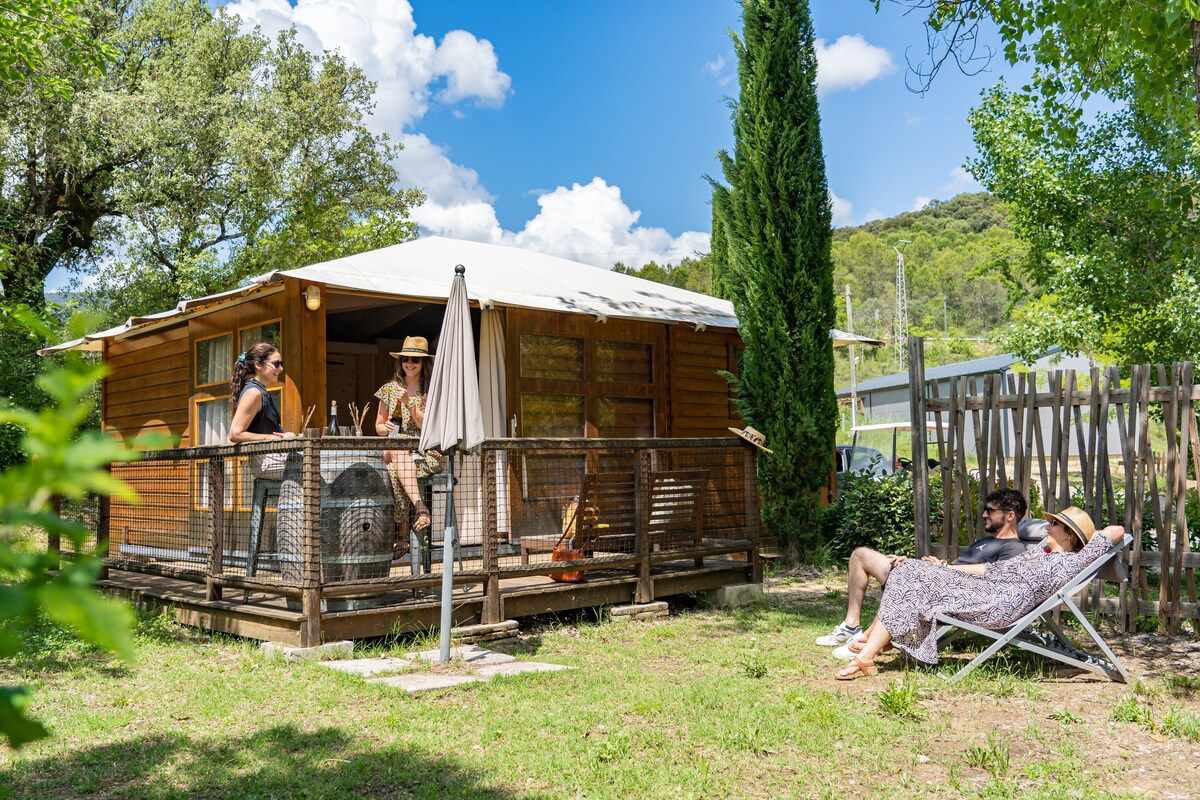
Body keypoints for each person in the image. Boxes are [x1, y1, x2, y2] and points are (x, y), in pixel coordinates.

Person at [835, 506, 1126, 679]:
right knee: (911, 569)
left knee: (912, 574)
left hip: (999, 604)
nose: (1047, 526)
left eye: (1055, 524)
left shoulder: (1074, 561)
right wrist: (947, 569)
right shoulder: (1039, 552)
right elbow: (990, 570)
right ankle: (873, 649)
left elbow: (1116, 531)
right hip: (987, 589)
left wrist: (1086, 540)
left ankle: (871, 648)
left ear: (1072, 534)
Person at [816, 488, 1031, 651]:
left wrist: (938, 568)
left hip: (954, 596)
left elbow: (994, 577)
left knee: (905, 573)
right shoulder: (983, 542)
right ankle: (852, 626)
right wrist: (926, 564)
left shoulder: (1014, 548)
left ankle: (871, 641)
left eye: (990, 511)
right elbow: (960, 568)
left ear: (1010, 515)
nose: (984, 514)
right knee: (860, 555)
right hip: (935, 580)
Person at [374, 336, 446, 549]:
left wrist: (409, 403)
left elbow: (430, 428)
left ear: (423, 363)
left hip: (427, 453)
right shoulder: (388, 389)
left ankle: (403, 533)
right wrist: (384, 428)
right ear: (400, 361)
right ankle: (421, 510)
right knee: (395, 453)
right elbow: (378, 426)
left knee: (394, 467)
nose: (410, 364)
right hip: (399, 449)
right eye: (406, 358)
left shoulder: (432, 392)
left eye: (415, 360)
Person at [229, 343, 296, 477]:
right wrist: (274, 438)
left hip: (274, 458)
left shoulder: (260, 391)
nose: (281, 369)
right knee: (314, 467)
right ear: (258, 365)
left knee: (321, 462)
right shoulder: (254, 393)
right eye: (276, 364)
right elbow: (235, 434)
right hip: (266, 462)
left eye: (281, 364)